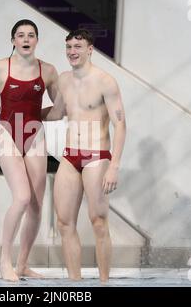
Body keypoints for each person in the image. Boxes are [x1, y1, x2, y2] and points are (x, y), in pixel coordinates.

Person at [0, 19, 58, 281]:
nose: (26, 39)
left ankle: (22, 265)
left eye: (31, 35)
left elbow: (60, 109)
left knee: (36, 205)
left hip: (35, 134)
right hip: (7, 133)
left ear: (37, 40)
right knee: (21, 197)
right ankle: (4, 260)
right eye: (20, 35)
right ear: (13, 41)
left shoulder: (49, 71)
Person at [42, 29, 126, 282]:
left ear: (90, 49)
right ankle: (74, 283)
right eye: (68, 47)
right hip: (70, 157)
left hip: (97, 157)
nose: (72, 52)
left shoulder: (105, 81)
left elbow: (120, 124)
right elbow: (57, 113)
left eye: (77, 47)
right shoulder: (64, 80)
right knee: (64, 222)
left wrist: (114, 166)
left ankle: (103, 282)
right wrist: (24, 112)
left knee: (98, 221)